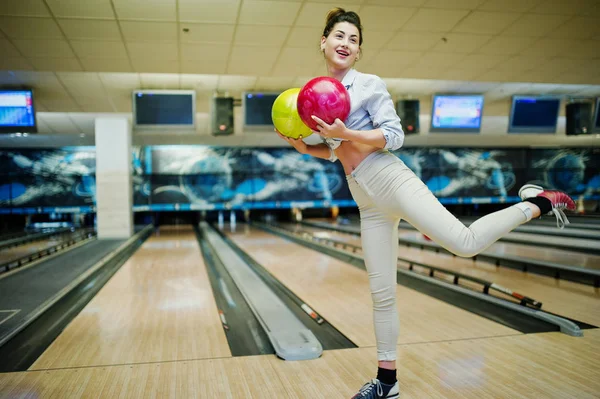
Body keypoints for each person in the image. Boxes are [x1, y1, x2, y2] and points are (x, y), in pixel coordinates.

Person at [277, 7, 575, 399]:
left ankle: (536, 201)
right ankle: (387, 383)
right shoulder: (318, 95)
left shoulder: (369, 84)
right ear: (324, 41)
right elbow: (337, 153)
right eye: (339, 36)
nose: (345, 43)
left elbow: (393, 136)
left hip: (390, 177)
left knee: (464, 243)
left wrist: (346, 130)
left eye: (353, 39)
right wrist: (304, 147)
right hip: (364, 198)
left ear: (359, 51)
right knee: (381, 293)